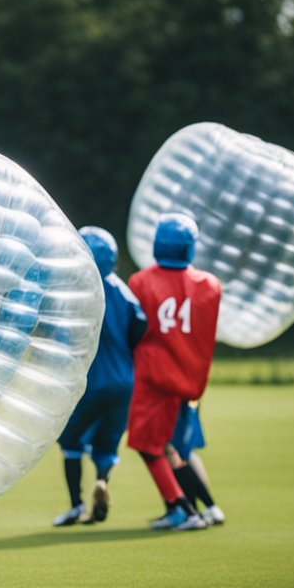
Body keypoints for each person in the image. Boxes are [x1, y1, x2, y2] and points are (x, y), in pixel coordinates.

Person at [126, 213, 220, 531]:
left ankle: (183, 509)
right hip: (190, 379)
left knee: (148, 443)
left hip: (155, 378)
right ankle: (206, 508)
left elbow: (135, 329)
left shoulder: (140, 282)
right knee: (180, 447)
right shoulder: (210, 286)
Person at [52, 227, 147, 526]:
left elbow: (62, 336)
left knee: (70, 441)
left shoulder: (76, 291)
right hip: (124, 381)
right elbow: (140, 325)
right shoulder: (123, 291)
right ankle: (102, 481)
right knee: (107, 444)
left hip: (90, 382)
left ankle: (76, 505)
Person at [164, 400, 225, 525]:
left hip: (178, 402)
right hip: (183, 402)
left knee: (177, 454)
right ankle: (196, 509)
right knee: (181, 453)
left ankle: (199, 510)